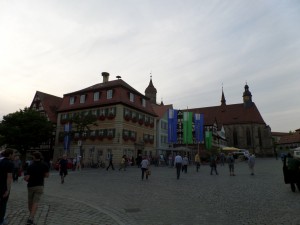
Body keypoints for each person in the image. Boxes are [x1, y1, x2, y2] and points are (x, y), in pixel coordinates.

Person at [24, 151, 49, 225]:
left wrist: (26, 179)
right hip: (40, 185)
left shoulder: (30, 166)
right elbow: (47, 175)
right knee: (36, 202)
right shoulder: (45, 165)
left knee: (30, 202)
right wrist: (41, 176)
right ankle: (31, 218)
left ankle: (31, 217)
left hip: (31, 186)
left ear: (34, 157)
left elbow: (27, 178)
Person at [0, 148, 14, 225]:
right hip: (4, 186)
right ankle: (1, 220)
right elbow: (9, 177)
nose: (14, 156)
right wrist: (8, 190)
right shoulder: (10, 163)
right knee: (3, 204)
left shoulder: (0, 161)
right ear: (10, 155)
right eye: (13, 154)